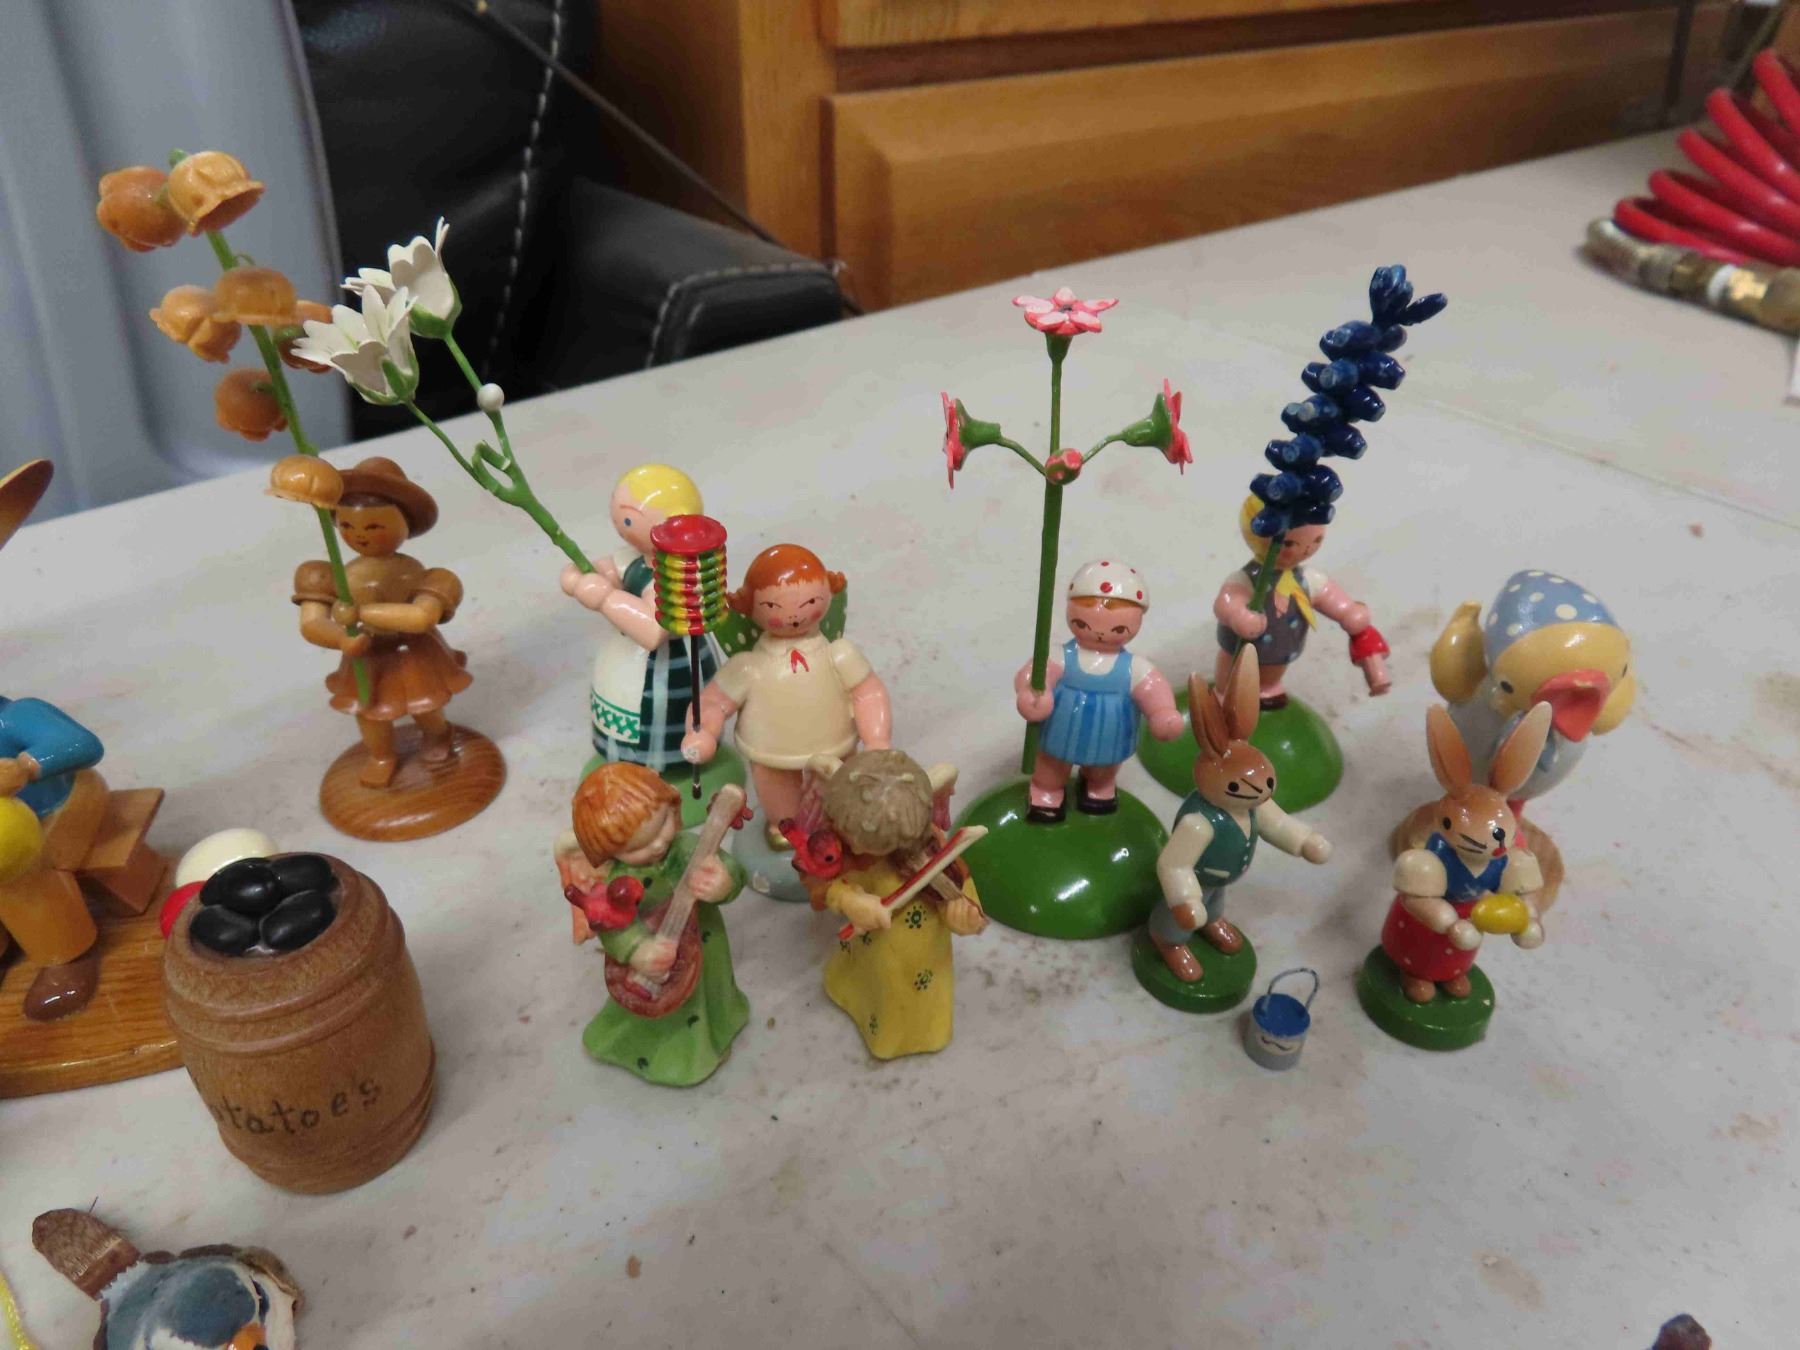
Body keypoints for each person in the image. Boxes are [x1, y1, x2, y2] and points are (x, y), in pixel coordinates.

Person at [554, 762, 748, 1086]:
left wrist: (723, 881)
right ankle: (663, 1050)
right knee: (659, 1008)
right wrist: (638, 950)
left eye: (662, 825)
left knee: (708, 992)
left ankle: (714, 1031)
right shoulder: (617, 882)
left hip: (704, 943)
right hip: (654, 969)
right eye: (636, 847)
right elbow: (613, 927)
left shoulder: (686, 849)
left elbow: (729, 868)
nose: (658, 845)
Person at [683, 544, 889, 848]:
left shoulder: (838, 655)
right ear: (749, 607)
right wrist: (703, 731)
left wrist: (876, 738)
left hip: (835, 747)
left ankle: (838, 826)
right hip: (770, 751)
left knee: (840, 793)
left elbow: (867, 693)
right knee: (779, 801)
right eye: (773, 607)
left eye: (810, 602)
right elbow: (713, 702)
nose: (793, 616)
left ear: (829, 594)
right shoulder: (749, 666)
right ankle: (786, 830)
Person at [291, 458, 470, 788]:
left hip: (412, 651)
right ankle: (381, 755)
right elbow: (311, 623)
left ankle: (439, 735)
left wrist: (361, 614)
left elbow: (421, 617)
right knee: (369, 710)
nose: (359, 535)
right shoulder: (330, 575)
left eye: (374, 527)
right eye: (347, 526)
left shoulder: (425, 575)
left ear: (405, 525)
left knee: (425, 705)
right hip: (365, 653)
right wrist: (340, 639)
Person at [801, 749, 985, 1060]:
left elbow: (961, 888)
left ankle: (901, 1037)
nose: (855, 850)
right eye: (853, 841)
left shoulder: (932, 848)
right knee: (867, 977)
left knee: (900, 995)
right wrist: (849, 900)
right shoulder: (844, 837)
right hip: (866, 943)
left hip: (919, 954)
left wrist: (963, 916)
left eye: (871, 847)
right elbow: (823, 882)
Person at [559, 464, 721, 778]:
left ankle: (666, 768)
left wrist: (605, 598)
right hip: (626, 659)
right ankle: (624, 764)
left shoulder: (682, 576)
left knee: (662, 717)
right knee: (620, 703)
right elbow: (602, 568)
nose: (620, 525)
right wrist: (576, 576)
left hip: (669, 667)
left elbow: (652, 630)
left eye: (629, 520)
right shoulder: (634, 557)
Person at [1015, 560, 1183, 823]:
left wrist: (1162, 712)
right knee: (1050, 766)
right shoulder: (1060, 656)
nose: (1099, 634)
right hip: (1060, 729)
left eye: (1118, 629)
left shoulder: (1134, 667)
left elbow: (1153, 688)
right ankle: (1046, 790)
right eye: (1083, 623)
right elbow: (1033, 674)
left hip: (1110, 736)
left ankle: (1098, 787)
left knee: (1103, 769)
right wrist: (1035, 692)